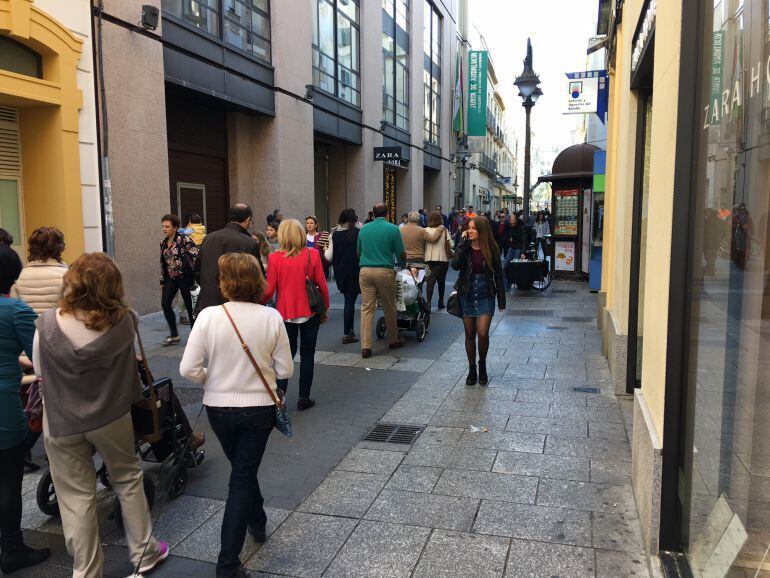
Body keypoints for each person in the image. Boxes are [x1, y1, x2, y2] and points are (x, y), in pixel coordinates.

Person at [35, 253, 168, 577]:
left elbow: (41, 371)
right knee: (127, 479)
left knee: (76, 497)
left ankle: (86, 570)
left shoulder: (48, 324)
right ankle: (145, 553)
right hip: (112, 416)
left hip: (62, 421)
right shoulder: (126, 320)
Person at [180, 253, 292, 578]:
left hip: (218, 408)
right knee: (243, 474)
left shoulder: (208, 316)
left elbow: (187, 368)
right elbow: (285, 369)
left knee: (242, 470)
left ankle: (257, 521)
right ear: (258, 280)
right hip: (259, 409)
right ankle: (227, 562)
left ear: (223, 282)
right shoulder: (271, 318)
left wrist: (210, 378)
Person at [0, 244, 51, 575]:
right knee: (7, 480)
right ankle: (13, 548)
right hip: (4, 407)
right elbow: (44, 351)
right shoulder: (15, 310)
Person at [262, 219, 329, 410]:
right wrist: (325, 308)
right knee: (308, 354)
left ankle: (279, 398)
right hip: (310, 310)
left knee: (284, 355)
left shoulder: (275, 258)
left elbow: (269, 290)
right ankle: (303, 397)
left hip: (285, 312)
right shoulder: (312, 254)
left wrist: (257, 304)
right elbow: (322, 285)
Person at [451, 217, 506, 386]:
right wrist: (461, 243)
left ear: (482, 230)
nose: (471, 230)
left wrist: (501, 300)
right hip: (467, 291)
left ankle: (482, 364)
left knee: (482, 333)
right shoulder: (465, 247)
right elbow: (455, 265)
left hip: (486, 292)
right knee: (469, 334)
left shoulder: (491, 248)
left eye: (474, 228)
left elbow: (498, 274)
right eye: (469, 227)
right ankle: (472, 368)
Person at [195, 204, 263, 314]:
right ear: (248, 220)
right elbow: (257, 276)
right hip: (238, 304)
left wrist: (210, 286)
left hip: (209, 301)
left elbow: (197, 270)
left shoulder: (209, 238)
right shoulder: (249, 242)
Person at [357, 203, 406, 358]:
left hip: (365, 270)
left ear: (373, 213)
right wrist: (402, 265)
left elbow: (358, 251)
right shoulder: (393, 229)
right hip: (385, 270)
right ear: (387, 214)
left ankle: (366, 346)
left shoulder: (364, 229)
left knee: (366, 308)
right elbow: (400, 252)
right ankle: (393, 339)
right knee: (389, 306)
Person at [159, 214, 198, 345]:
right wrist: (162, 281)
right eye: (163, 226)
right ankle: (174, 334)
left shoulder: (184, 239)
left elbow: (195, 254)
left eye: (167, 226)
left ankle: (195, 336)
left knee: (189, 306)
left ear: (175, 227)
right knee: (165, 303)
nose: (164, 229)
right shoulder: (163, 243)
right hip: (171, 277)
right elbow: (163, 263)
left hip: (185, 277)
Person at [325, 209, 361, 344]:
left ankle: (348, 332)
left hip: (340, 272)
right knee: (351, 302)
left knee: (348, 300)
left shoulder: (334, 235)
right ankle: (348, 333)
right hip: (355, 271)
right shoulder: (358, 233)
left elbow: (328, 256)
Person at [425, 211, 453, 309]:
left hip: (428, 259)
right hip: (442, 259)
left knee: (430, 281)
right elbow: (451, 244)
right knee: (441, 282)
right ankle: (440, 301)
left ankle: (428, 303)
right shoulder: (444, 230)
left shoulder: (425, 230)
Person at [503, 213, 529, 291]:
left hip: (518, 248)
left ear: (516, 220)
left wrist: (523, 252)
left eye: (513, 223)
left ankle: (514, 283)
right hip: (512, 247)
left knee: (515, 266)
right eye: (511, 223)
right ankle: (507, 284)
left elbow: (524, 240)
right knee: (504, 266)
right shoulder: (509, 225)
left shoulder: (522, 227)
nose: (512, 224)